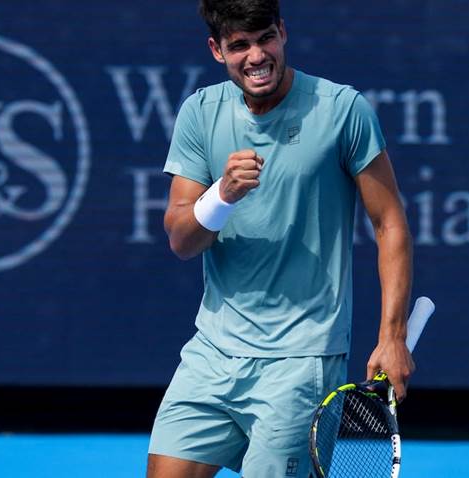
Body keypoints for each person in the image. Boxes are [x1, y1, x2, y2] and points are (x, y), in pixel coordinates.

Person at [147, 1, 413, 477]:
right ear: (216, 50)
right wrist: (221, 195)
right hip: (212, 353)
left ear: (283, 33)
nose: (256, 56)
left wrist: (391, 337)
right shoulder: (200, 113)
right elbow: (182, 241)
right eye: (239, 45)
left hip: (302, 361)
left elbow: (390, 223)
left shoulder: (343, 110)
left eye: (265, 38)